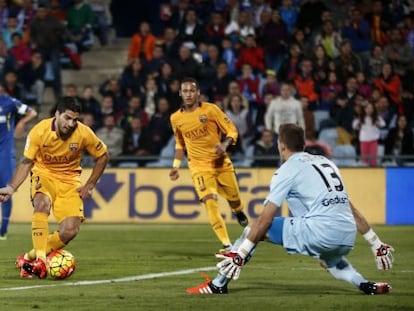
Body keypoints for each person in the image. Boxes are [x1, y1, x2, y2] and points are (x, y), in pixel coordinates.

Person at [186, 123, 394, 295]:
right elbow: (351, 208)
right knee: (331, 259)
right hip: (346, 236)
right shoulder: (325, 163)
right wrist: (376, 243)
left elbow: (265, 219)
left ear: (281, 146)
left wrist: (241, 253)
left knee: (253, 230)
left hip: (319, 231)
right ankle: (366, 285)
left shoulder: (286, 170)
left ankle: (218, 285)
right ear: (303, 144)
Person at [0, 97, 109, 278]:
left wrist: (90, 184)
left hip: (70, 181)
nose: (71, 123)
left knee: (69, 231)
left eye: (75, 119)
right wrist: (11, 188)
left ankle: (29, 257)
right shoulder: (39, 131)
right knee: (41, 204)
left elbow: (103, 156)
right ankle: (41, 261)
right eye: (67, 118)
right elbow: (27, 162)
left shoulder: (83, 133)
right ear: (57, 114)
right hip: (44, 174)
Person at [169, 77, 248, 252]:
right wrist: (175, 166)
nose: (188, 94)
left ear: (198, 93)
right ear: (180, 93)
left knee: (234, 199)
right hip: (198, 167)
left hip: (220, 163)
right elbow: (180, 143)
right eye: (185, 91)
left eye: (192, 91)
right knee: (210, 201)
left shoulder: (211, 110)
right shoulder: (175, 118)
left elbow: (232, 130)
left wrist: (225, 145)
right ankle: (227, 244)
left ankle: (238, 211)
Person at [0, 90, 37, 240]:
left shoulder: (9, 102)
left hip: (4, 153)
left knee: (5, 190)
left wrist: (21, 122)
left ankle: (3, 229)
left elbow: (32, 112)